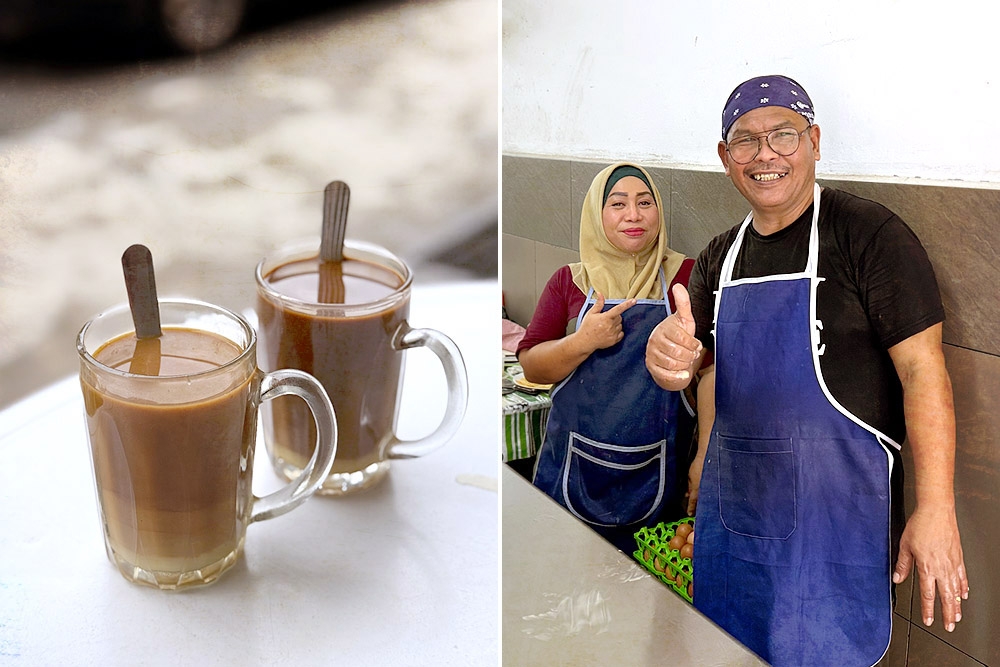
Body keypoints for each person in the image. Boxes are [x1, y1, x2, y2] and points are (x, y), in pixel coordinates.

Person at [644, 75, 969, 666]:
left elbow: (924, 372)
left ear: (814, 140)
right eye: (745, 140)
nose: (765, 154)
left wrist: (936, 508)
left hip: (837, 529)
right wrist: (672, 370)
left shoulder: (868, 235)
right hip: (737, 518)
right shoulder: (720, 256)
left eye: (784, 135)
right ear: (725, 158)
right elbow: (706, 370)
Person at [518, 162, 699, 552]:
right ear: (596, 216)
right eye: (617, 203)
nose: (633, 215)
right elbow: (532, 363)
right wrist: (582, 341)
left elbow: (712, 369)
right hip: (571, 471)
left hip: (658, 477)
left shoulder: (686, 276)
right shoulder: (570, 281)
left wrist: (703, 455)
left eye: (645, 202)